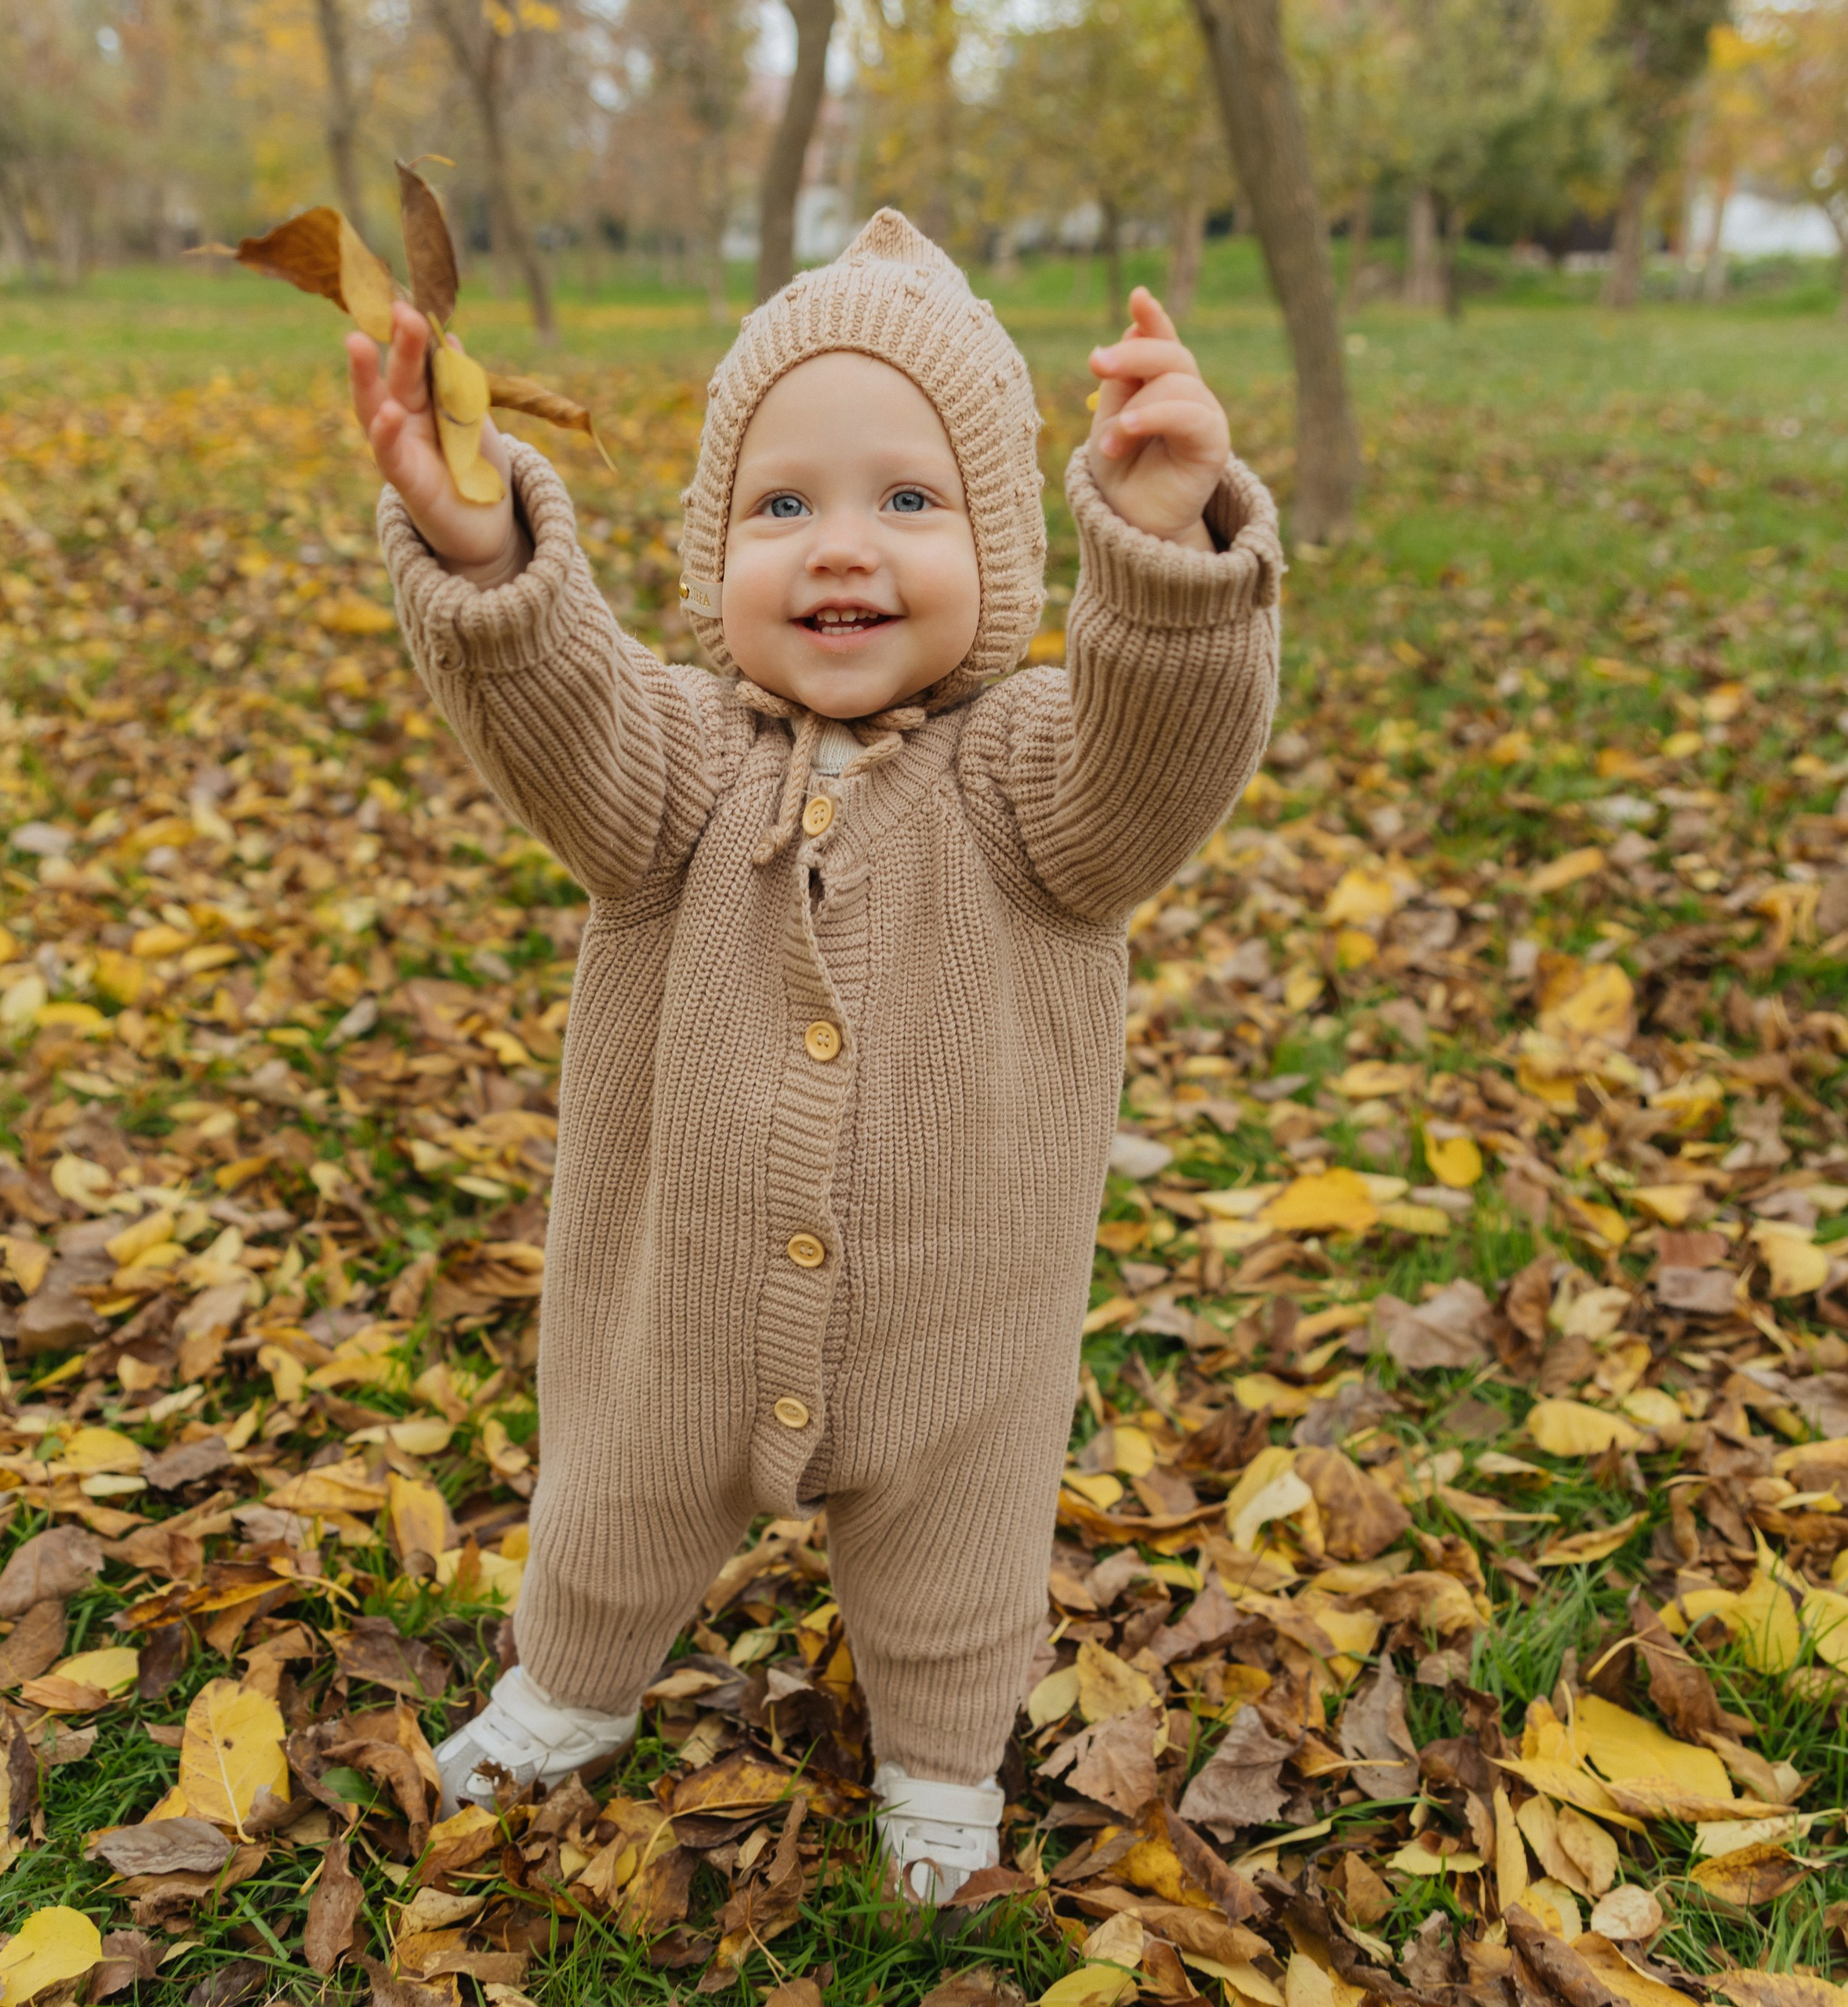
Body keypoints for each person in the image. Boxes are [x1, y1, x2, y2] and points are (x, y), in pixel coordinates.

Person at [347, 209, 1280, 1904]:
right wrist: (481, 555)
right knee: (613, 1497)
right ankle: (569, 1688)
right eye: (782, 505)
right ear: (712, 548)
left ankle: (937, 1762)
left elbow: (1168, 753)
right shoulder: (673, 761)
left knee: (954, 1557)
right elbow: (556, 701)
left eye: (908, 502)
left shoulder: (1040, 781)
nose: (839, 549)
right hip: (676, 1300)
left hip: (959, 1328)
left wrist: (1163, 553)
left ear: (1001, 543)